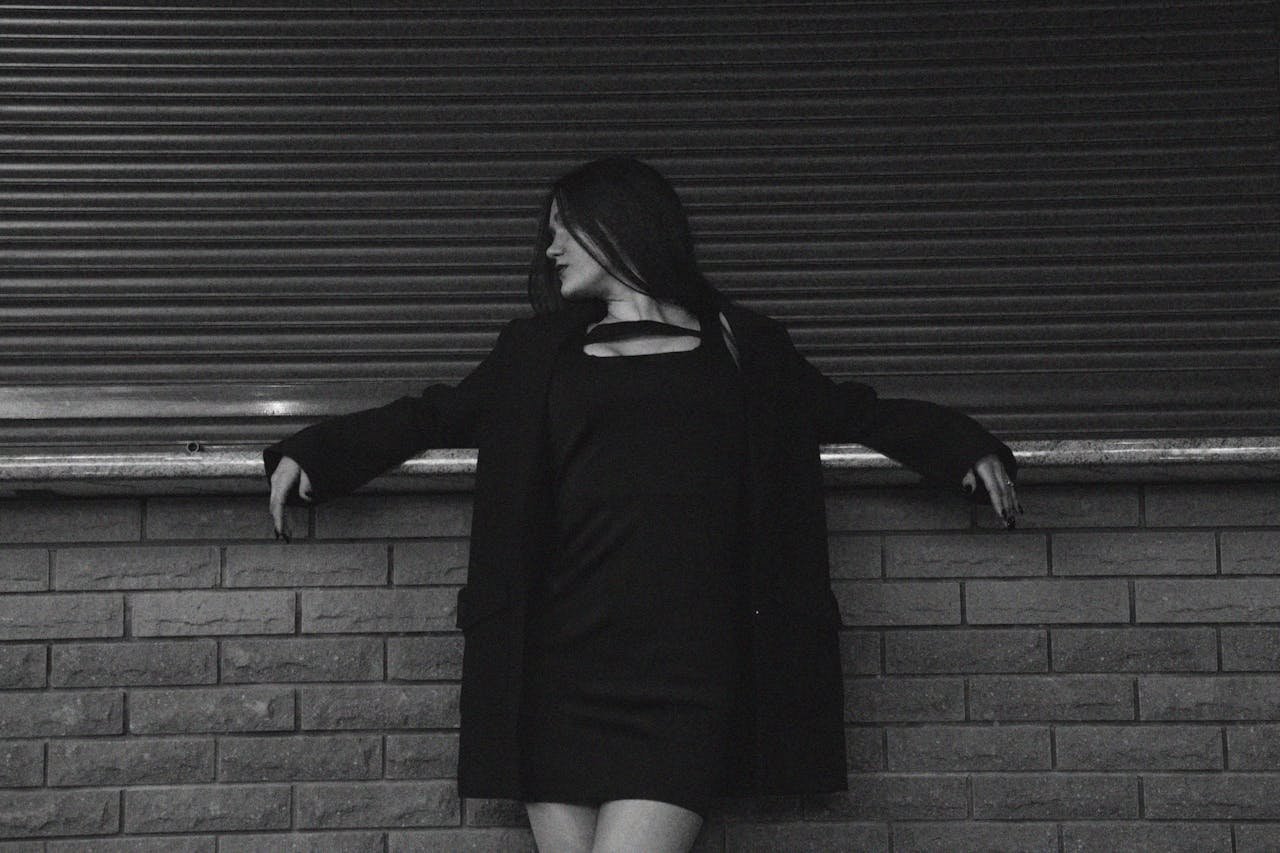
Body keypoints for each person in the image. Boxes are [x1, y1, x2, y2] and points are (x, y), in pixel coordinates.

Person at [265, 157, 1020, 853]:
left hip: (686, 675)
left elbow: (850, 410)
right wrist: (314, 455)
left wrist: (960, 445)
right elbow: (433, 415)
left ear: (618, 224)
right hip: (555, 669)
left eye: (564, 225)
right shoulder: (536, 354)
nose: (550, 245)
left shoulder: (740, 346)